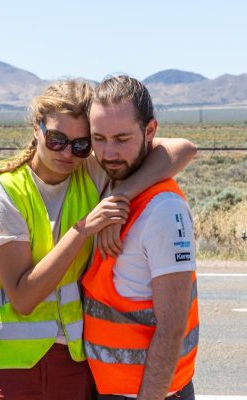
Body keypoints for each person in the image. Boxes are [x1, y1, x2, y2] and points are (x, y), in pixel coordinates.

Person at [0, 79, 196, 400]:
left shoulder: (92, 172)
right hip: (2, 363)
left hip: (71, 361)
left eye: (82, 144)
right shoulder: (3, 192)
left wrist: (121, 197)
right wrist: (84, 228)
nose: (67, 153)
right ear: (36, 128)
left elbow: (182, 149)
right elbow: (24, 299)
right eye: (56, 139)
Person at [82, 75, 199, 400]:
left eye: (122, 138)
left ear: (150, 131)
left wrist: (120, 198)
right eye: (99, 139)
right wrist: (117, 199)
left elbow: (172, 328)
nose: (108, 152)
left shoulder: (163, 210)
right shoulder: (108, 178)